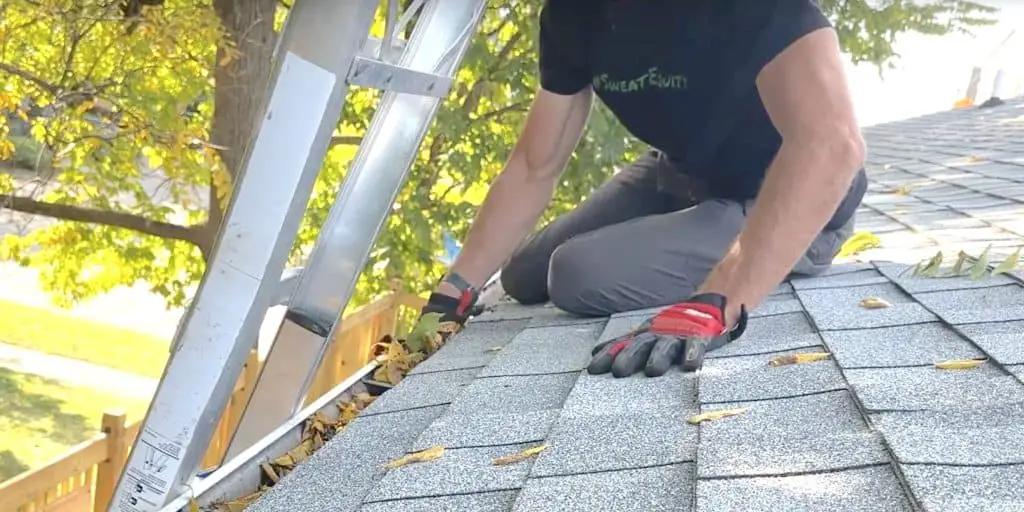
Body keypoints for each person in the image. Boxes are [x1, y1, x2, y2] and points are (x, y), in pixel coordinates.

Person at [419, 0, 867, 378]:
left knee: (578, 274)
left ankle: (785, 248)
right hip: (683, 175)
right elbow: (534, 166)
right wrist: (456, 289)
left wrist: (718, 301)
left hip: (791, 193)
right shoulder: (572, 15)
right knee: (523, 274)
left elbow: (831, 145)